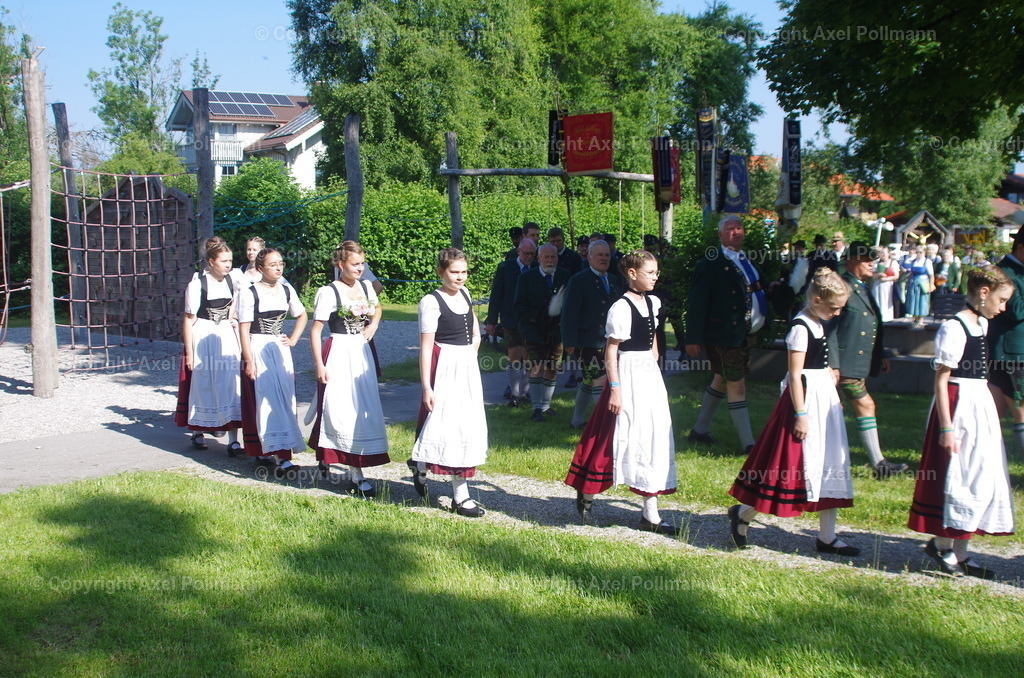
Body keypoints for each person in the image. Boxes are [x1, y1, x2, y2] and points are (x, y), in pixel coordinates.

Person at [727, 268, 860, 556]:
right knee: (788, 466)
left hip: (821, 396)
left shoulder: (819, 323)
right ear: (816, 300)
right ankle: (744, 513)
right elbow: (797, 374)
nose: (837, 313)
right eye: (834, 307)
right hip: (805, 400)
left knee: (829, 460)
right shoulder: (800, 328)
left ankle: (827, 536)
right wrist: (801, 414)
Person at [909, 266, 1015, 577]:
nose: (1003, 307)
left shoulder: (981, 322)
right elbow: (942, 381)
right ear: (984, 293)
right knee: (956, 475)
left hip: (977, 402)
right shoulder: (954, 328)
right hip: (957, 406)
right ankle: (943, 547)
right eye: (1002, 299)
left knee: (979, 473)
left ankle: (960, 551)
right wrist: (946, 427)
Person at [565, 250, 676, 533]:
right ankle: (587, 495)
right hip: (626, 375)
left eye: (656, 272)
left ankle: (650, 514)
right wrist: (614, 389)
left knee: (653, 435)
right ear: (632, 274)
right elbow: (611, 350)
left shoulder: (653, 302)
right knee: (612, 436)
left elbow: (652, 341)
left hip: (648, 376)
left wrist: (653, 365)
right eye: (650, 272)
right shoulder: (621, 308)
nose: (655, 277)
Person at [409, 248, 488, 517]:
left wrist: (469, 356)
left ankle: (429, 469)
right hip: (444, 367)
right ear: (441, 272)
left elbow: (476, 332)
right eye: (454, 272)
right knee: (446, 425)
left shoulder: (465, 295)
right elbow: (426, 347)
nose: (460, 277)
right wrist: (427, 387)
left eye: (464, 272)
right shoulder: (431, 301)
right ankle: (457, 493)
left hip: (465, 366)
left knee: (465, 426)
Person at [308, 241, 389, 497]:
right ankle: (355, 473)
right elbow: (316, 330)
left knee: (364, 408)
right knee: (340, 409)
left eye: (362, 264)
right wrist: (319, 365)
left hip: (361, 352)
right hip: (340, 351)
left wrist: (374, 325)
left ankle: (343, 460)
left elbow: (377, 308)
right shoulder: (329, 292)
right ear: (340, 264)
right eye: (355, 264)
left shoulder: (366, 286)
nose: (360, 268)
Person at [685, 215, 768, 453]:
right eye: (730, 229)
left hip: (745, 334)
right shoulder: (710, 263)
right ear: (720, 235)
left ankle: (699, 431)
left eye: (739, 228)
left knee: (721, 379)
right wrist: (692, 338)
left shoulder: (747, 260)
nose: (736, 232)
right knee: (737, 384)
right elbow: (696, 302)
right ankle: (748, 444)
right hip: (723, 334)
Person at [828, 242, 908, 478]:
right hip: (843, 363)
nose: (872, 263)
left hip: (856, 362)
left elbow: (873, 323)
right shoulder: (840, 286)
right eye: (866, 260)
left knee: (830, 412)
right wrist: (833, 363)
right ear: (851, 260)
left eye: (873, 259)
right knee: (865, 405)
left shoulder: (861, 287)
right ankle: (879, 463)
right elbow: (829, 329)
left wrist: (880, 354)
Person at [237, 248, 308, 479]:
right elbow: (244, 328)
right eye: (272, 265)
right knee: (266, 400)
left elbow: (302, 314)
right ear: (260, 269)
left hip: (280, 348)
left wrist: (294, 338)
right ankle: (276, 455)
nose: (278, 268)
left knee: (285, 398)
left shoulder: (286, 289)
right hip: (258, 346)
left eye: (281, 263)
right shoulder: (250, 293)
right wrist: (248, 360)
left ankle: (280, 450)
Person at [174, 241, 242, 453]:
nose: (228, 265)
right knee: (204, 383)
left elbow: (236, 305)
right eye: (223, 261)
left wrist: (233, 319)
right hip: (203, 334)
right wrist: (191, 353)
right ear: (211, 262)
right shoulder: (197, 284)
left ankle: (233, 438)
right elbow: (188, 320)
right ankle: (198, 431)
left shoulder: (233, 281)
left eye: (230, 260)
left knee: (231, 383)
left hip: (225, 334)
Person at [561, 239, 625, 428]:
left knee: (589, 380)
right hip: (587, 341)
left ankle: (577, 420)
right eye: (599, 255)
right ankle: (607, 425)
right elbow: (569, 313)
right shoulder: (579, 280)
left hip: (610, 341)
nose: (603, 258)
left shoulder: (613, 280)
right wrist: (569, 340)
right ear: (589, 257)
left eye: (606, 255)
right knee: (599, 378)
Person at [514, 243, 571, 422]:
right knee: (537, 367)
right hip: (533, 331)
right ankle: (536, 408)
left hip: (557, 332)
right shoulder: (526, 278)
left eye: (553, 257)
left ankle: (546, 405)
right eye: (546, 257)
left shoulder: (565, 276)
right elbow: (518, 307)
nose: (550, 260)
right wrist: (542, 314)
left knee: (553, 368)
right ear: (538, 258)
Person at [485, 237, 537, 406]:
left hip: (531, 322)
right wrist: (491, 321)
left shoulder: (537, 268)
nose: (529, 257)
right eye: (526, 253)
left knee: (528, 357)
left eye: (532, 254)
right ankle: (514, 394)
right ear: (518, 251)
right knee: (514, 356)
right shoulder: (505, 268)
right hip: (510, 320)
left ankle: (525, 392)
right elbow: (496, 295)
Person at [987, 226, 1024, 455]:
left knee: (992, 413)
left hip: (1014, 354)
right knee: (1021, 411)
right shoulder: (1003, 272)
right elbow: (1017, 310)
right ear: (1021, 247)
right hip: (1011, 355)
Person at [902, 244, 935, 327]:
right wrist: (908, 282)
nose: (918, 254)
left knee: (922, 301)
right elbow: (911, 274)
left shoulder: (927, 261)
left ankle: (921, 320)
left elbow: (931, 275)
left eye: (920, 252)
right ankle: (914, 318)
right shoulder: (913, 261)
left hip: (923, 283)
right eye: (917, 252)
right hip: (913, 282)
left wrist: (931, 285)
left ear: (924, 252)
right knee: (913, 300)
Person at [871, 245, 899, 323]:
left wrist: (886, 279)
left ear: (888, 254)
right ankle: (877, 317)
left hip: (888, 286)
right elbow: (872, 276)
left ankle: (886, 318)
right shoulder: (876, 263)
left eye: (884, 253)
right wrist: (879, 275)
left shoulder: (893, 262)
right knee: (877, 300)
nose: (882, 254)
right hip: (877, 285)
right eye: (881, 253)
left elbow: (896, 276)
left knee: (886, 301)